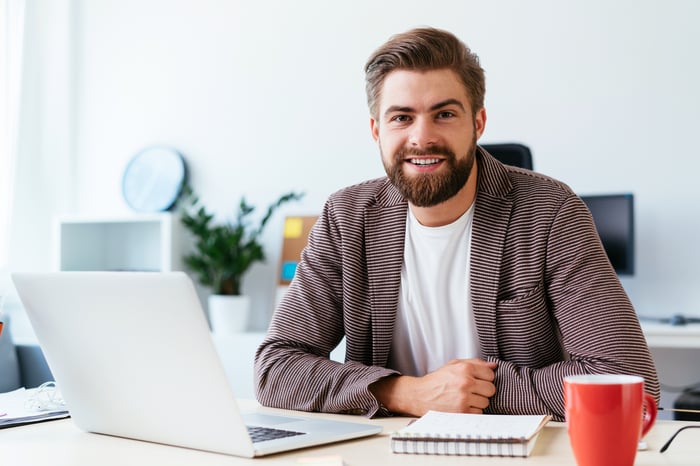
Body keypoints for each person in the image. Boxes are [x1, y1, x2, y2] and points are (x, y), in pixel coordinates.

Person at [254, 27, 660, 421]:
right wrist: (407, 392)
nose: (422, 136)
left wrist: (473, 392)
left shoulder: (549, 212)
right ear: (377, 130)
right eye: (401, 117)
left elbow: (631, 380)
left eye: (444, 114)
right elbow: (275, 368)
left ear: (478, 123)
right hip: (385, 450)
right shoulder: (348, 217)